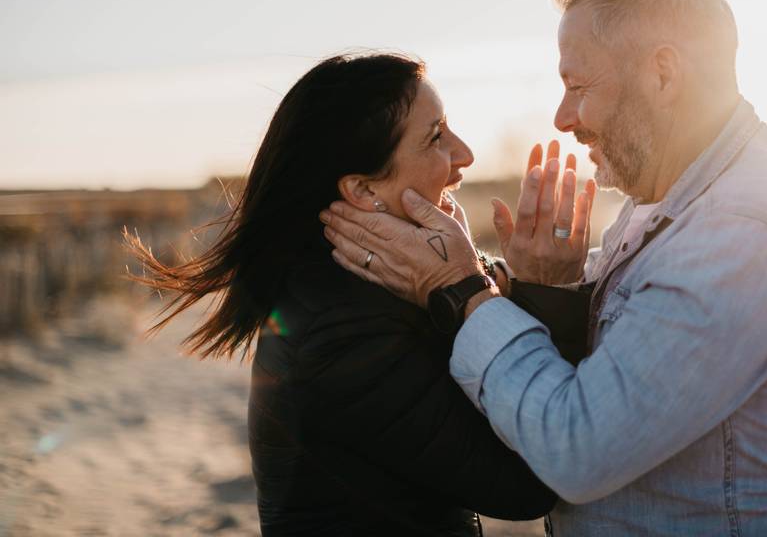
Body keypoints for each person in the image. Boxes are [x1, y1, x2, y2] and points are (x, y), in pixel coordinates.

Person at [320, 0, 767, 536]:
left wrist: (459, 291)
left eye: (577, 85)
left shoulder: (749, 230)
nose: (562, 116)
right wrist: (532, 279)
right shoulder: (673, 204)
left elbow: (577, 450)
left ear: (662, 74)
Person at [125, 52, 559, 536]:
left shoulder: (363, 288)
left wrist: (481, 279)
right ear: (362, 189)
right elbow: (532, 481)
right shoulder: (343, 330)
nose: (464, 154)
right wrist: (493, 290)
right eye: (436, 136)